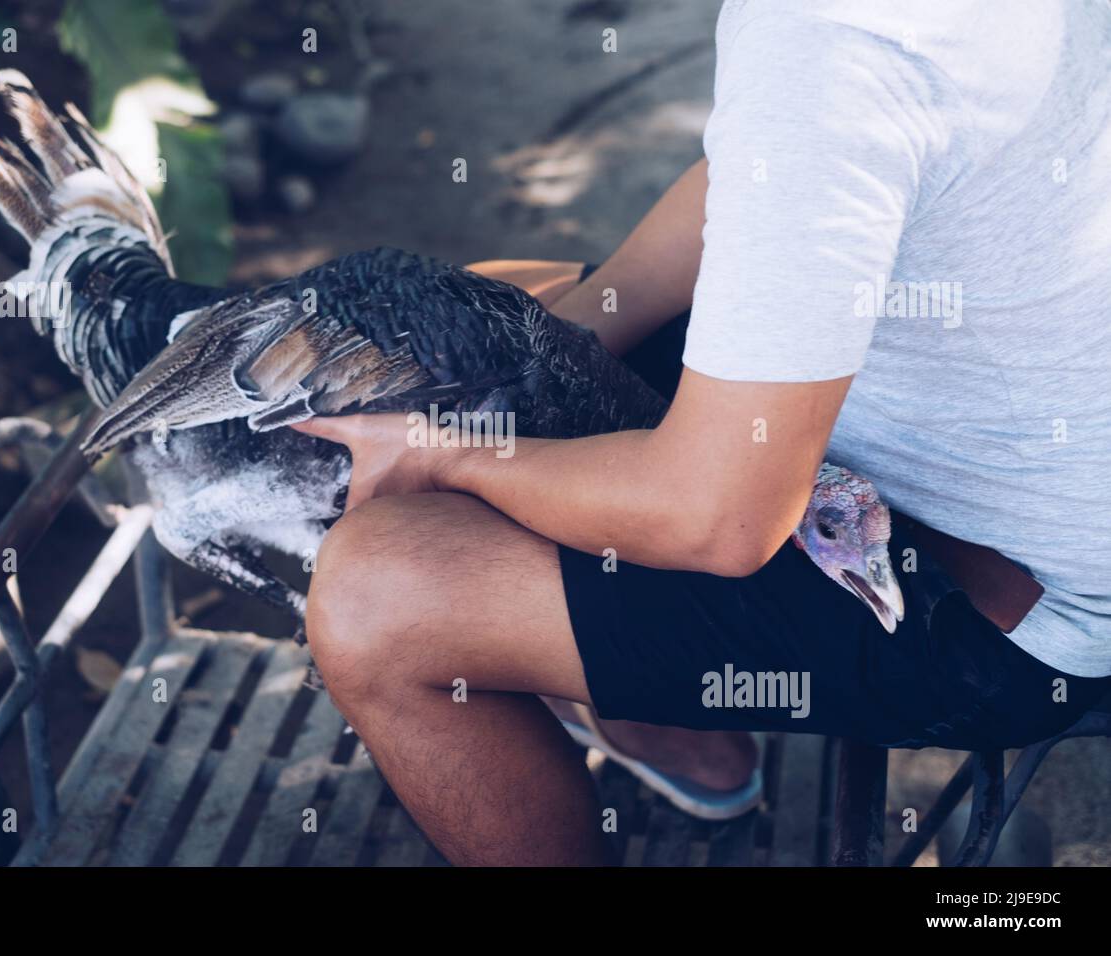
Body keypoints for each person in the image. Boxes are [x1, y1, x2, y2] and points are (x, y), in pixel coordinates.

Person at [290, 0, 1111, 865]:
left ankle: (636, 710)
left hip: (1013, 603)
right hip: (972, 425)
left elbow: (715, 520)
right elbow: (765, 171)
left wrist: (457, 459)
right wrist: (567, 339)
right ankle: (686, 739)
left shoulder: (826, 39)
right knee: (485, 311)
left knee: (373, 599)